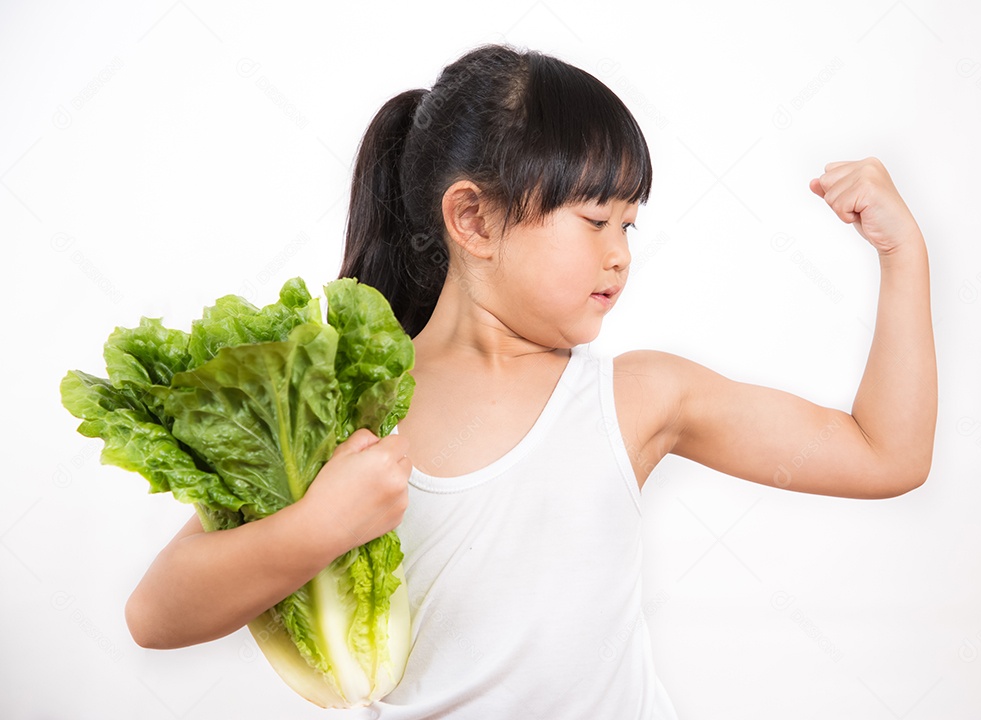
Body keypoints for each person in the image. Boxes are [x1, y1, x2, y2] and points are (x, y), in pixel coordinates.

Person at [125, 42, 937, 719]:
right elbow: (156, 613)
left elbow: (884, 454)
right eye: (593, 221)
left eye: (629, 222)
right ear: (473, 220)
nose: (621, 252)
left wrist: (904, 256)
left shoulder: (638, 399)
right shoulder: (353, 407)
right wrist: (318, 527)